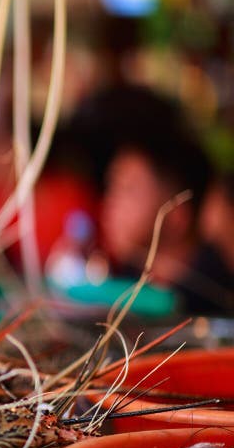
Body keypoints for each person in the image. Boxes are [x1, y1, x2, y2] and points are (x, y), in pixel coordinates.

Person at [73, 85, 234, 314]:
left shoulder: (211, 301)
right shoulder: (126, 283)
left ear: (177, 215)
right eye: (111, 188)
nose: (110, 204)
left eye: (128, 190)